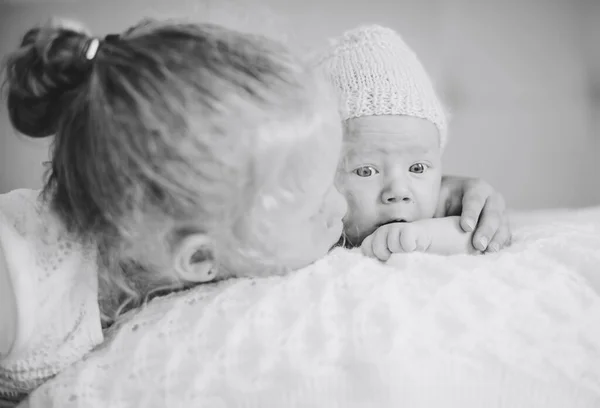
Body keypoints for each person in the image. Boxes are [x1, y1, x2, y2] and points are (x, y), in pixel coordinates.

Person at [0, 18, 507, 404]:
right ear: (199, 260)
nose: (340, 206)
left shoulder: (188, 226)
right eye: (318, 201)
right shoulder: (21, 284)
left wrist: (447, 193)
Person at [317, 25, 511, 261]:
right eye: (366, 171)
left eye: (417, 168)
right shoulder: (312, 224)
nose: (398, 191)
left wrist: (425, 236)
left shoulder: (439, 206)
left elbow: (478, 236)